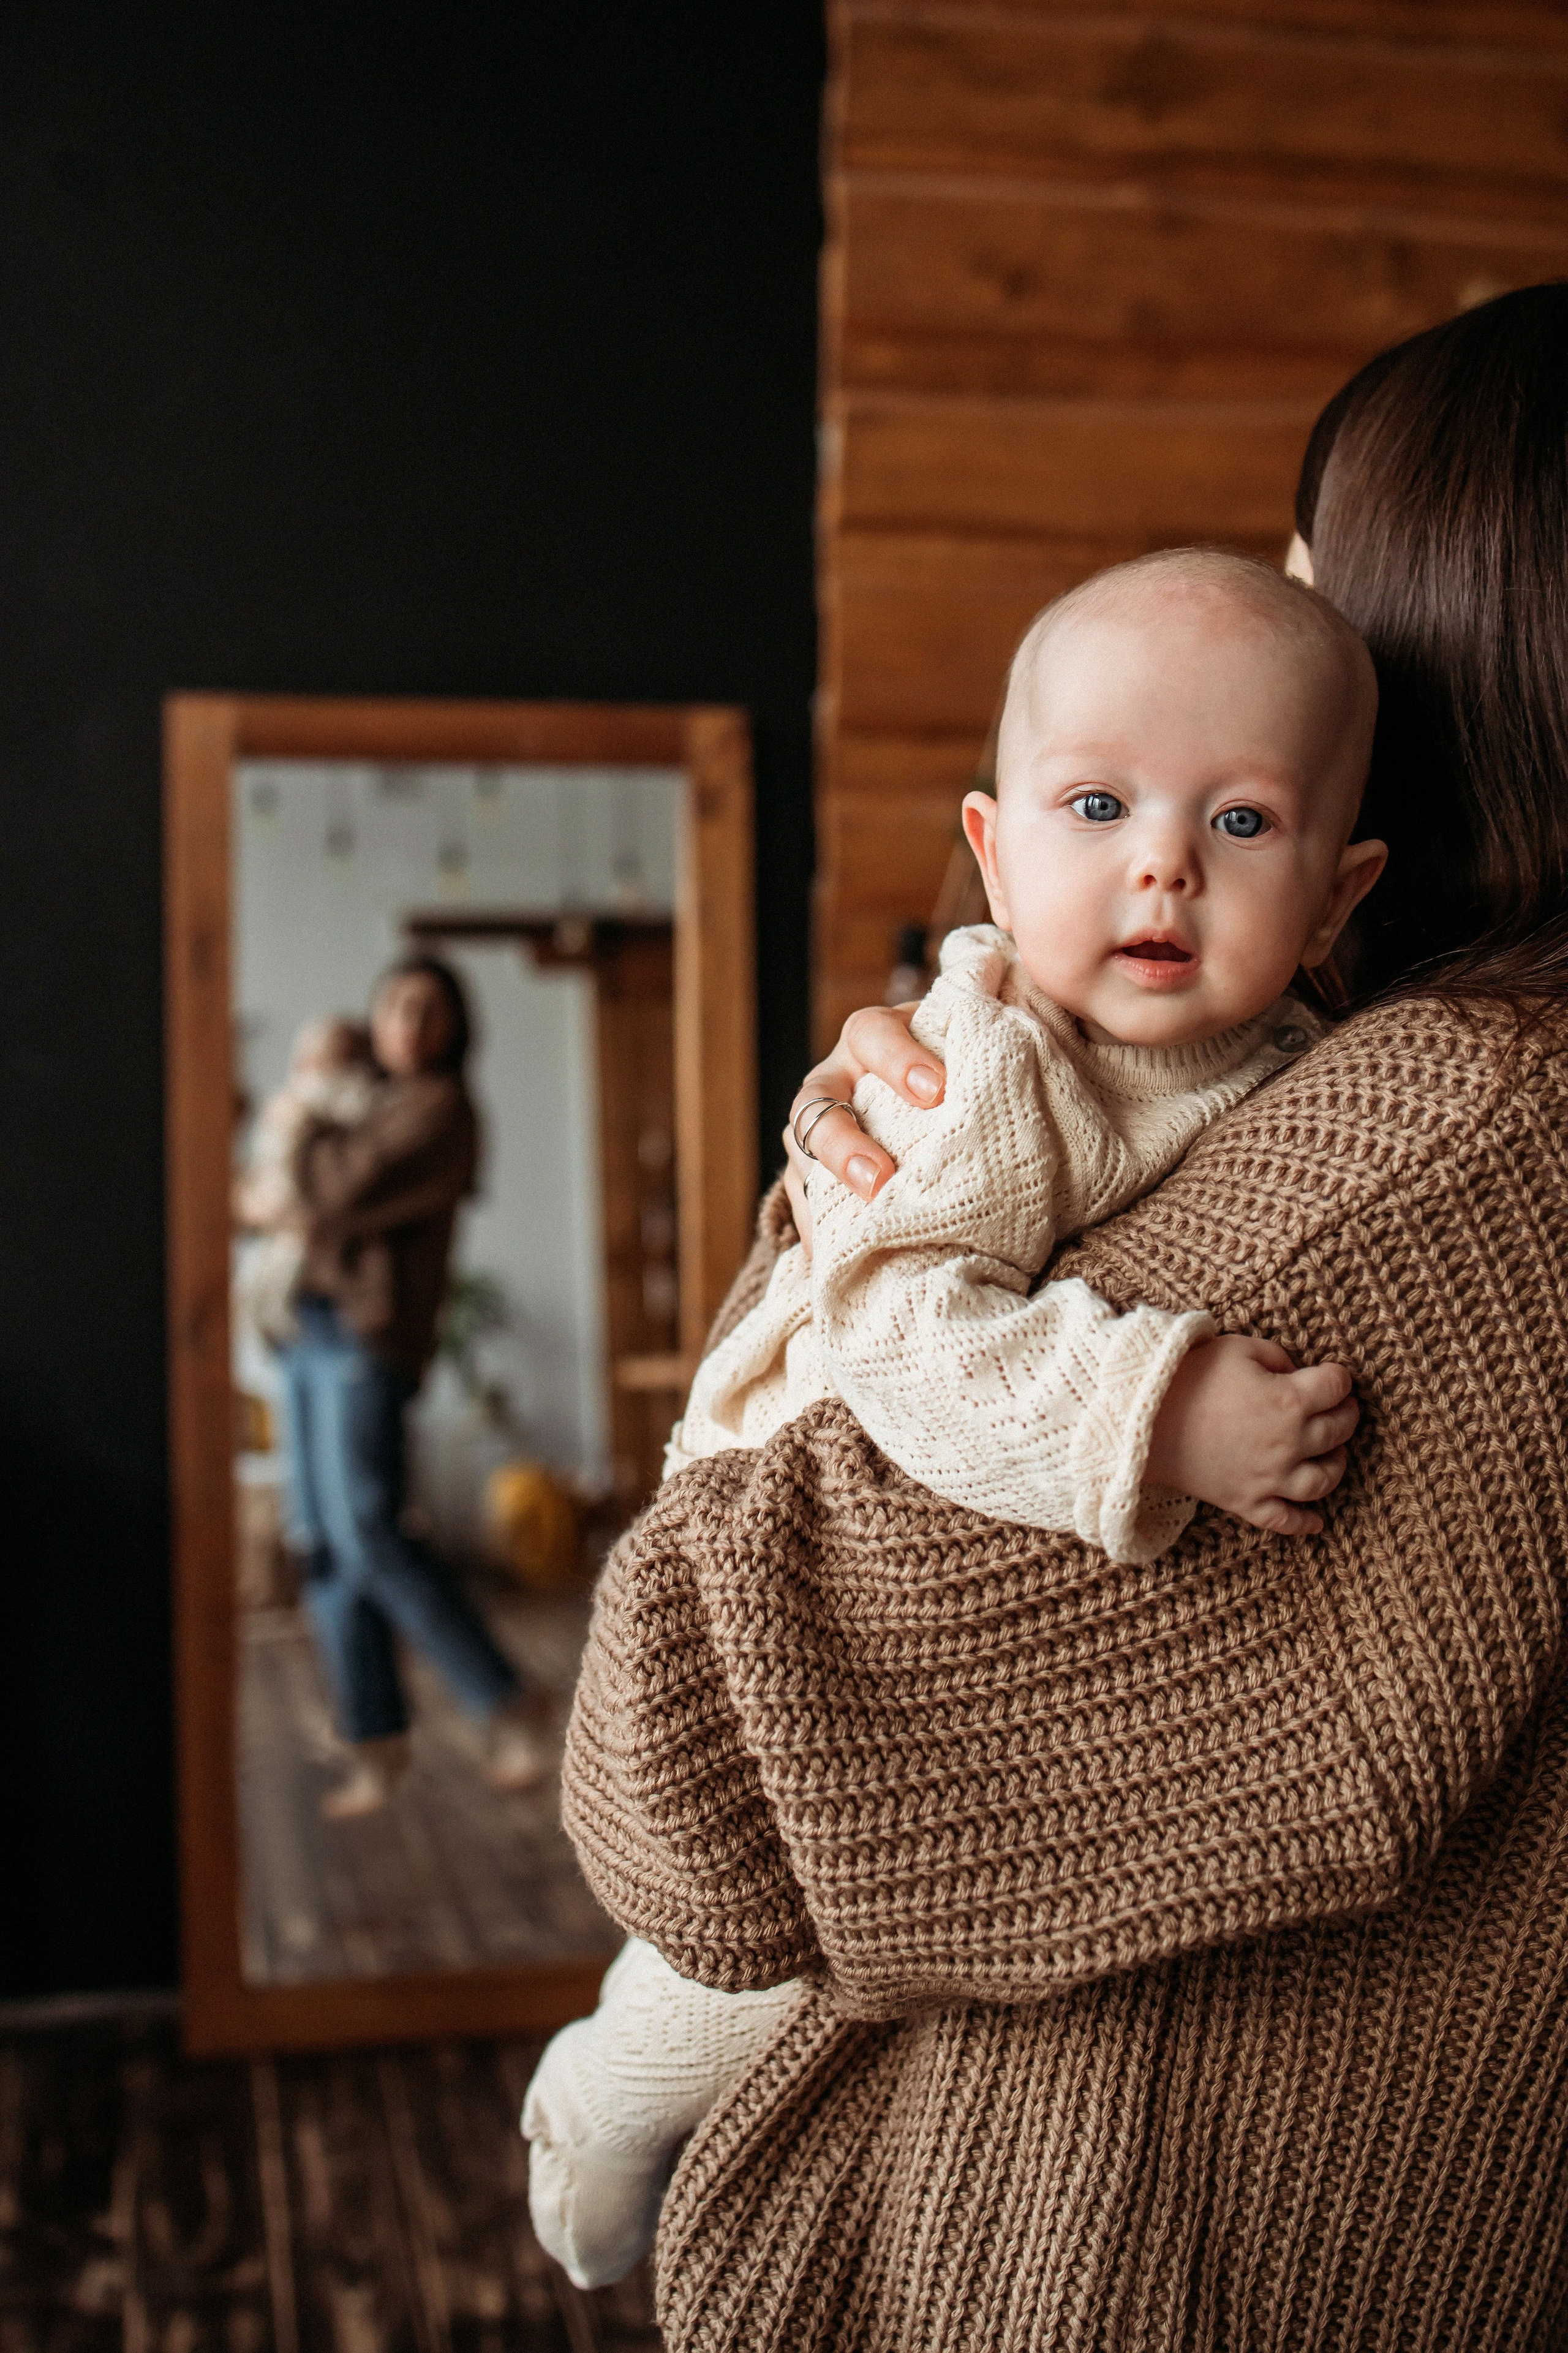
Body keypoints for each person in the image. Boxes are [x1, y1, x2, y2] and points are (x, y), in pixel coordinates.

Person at [552, 284, 1568, 2352]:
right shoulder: (1352, 1069)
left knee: (664, 2018)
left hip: (1119, 2261)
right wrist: (867, 1168)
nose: (1168, 860)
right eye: (1099, 811)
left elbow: (701, 1754)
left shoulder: (1456, 1131)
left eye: (1320, 579)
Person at [523, 546, 1384, 2286]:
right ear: (995, 849)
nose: (1160, 862)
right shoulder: (991, 1065)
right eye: (1098, 804)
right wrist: (1160, 1405)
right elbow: (912, 1344)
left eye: (1241, 826)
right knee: (725, 1989)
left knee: (844, 1993)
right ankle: (589, 2118)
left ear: (1343, 892)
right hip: (784, 1550)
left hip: (952, 1632)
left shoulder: (1298, 1071)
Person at [278, 954, 550, 1818]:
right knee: (324, 1541)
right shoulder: (375, 1104)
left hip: (369, 1337)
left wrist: (305, 1112)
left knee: (369, 1528)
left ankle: (507, 1701)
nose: (411, 1024)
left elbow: (330, 1192)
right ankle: (377, 1742)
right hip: (308, 1330)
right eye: (396, 1005)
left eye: (431, 1011)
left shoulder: (441, 1111)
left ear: (456, 1027)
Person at [236, 1013, 377, 1345]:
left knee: (278, 1275)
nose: (305, 1063)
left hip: (306, 1235)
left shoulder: (347, 1096)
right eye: (303, 1053)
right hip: (277, 1201)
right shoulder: (289, 1098)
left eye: (319, 1053)